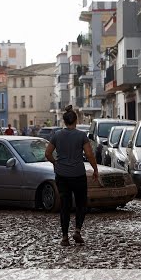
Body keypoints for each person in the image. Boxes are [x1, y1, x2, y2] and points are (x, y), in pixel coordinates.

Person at [45, 104, 99, 246]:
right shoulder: (81, 136)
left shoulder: (57, 135)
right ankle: (77, 231)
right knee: (81, 204)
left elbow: (47, 153)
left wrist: (56, 163)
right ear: (75, 121)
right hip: (78, 175)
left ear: (64, 121)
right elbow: (89, 154)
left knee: (65, 205)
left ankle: (64, 237)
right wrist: (95, 169)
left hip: (62, 175)